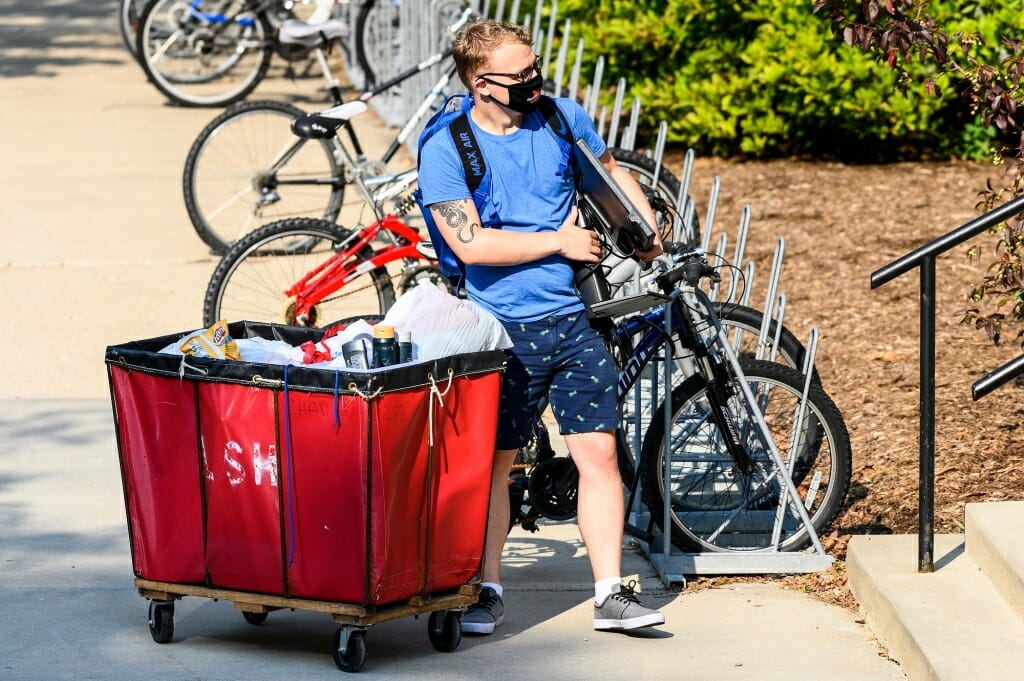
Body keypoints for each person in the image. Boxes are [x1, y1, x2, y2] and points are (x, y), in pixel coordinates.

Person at [418, 19, 666, 635]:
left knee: (599, 453)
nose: (535, 81)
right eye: (520, 75)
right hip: (502, 332)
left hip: (573, 320)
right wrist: (558, 240)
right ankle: (485, 589)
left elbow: (606, 171)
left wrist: (642, 222)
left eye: (535, 69)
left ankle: (611, 594)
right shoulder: (449, 146)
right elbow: (469, 244)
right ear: (481, 84)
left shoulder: (561, 118)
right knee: (495, 464)